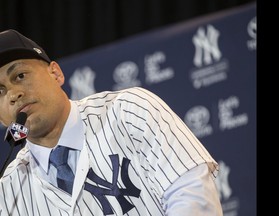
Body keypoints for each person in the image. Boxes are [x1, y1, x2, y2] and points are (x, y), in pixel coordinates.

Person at [0, 29, 223, 216]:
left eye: (20, 75)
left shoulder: (130, 111)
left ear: (55, 73)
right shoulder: (8, 193)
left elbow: (192, 195)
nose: (13, 94)